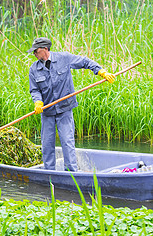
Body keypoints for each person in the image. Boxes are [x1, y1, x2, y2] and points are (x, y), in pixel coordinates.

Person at [27, 37, 115, 171]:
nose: (34, 54)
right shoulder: (34, 69)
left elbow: (85, 62)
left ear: (45, 49)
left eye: (36, 51)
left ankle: (71, 173)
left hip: (65, 109)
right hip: (47, 112)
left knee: (67, 142)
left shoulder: (64, 58)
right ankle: (49, 172)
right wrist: (37, 101)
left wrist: (100, 71)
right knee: (46, 144)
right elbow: (34, 89)